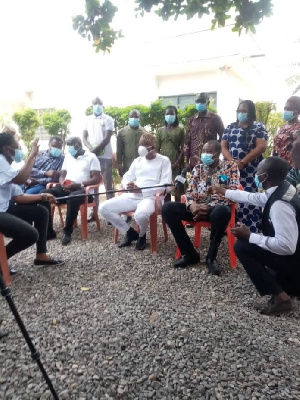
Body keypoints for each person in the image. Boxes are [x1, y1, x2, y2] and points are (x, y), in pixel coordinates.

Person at [212, 157, 300, 315]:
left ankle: (282, 299)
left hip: (294, 261)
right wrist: (224, 191)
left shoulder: (280, 205)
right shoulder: (283, 189)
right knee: (254, 245)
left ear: (265, 177)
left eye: (258, 172)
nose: (255, 174)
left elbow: (287, 246)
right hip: (295, 257)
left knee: (242, 246)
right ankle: (286, 285)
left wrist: (250, 236)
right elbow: (253, 198)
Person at [162, 140, 240, 274]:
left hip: (217, 209)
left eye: (208, 152)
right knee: (167, 208)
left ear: (218, 153)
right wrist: (192, 206)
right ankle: (189, 254)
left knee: (221, 212)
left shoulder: (230, 167)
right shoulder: (197, 168)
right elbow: (190, 192)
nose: (205, 155)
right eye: (203, 152)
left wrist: (209, 207)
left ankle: (211, 257)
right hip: (197, 208)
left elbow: (233, 192)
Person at [0, 133, 64, 270]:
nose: (19, 150)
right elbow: (21, 179)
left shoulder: (6, 166)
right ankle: (1, 262)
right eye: (17, 146)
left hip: (4, 209)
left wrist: (43, 196)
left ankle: (41, 255)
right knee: (30, 234)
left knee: (41, 211)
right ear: (7, 149)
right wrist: (32, 156)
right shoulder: (0, 161)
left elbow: (18, 197)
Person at [99, 133, 172, 250]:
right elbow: (126, 177)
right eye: (141, 145)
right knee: (103, 208)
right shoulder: (137, 161)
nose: (141, 147)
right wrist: (127, 185)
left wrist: (141, 190)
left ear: (153, 147)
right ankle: (130, 233)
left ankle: (142, 235)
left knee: (141, 215)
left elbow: (166, 186)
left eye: (145, 145)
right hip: (132, 196)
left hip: (151, 198)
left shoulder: (164, 161)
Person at [41, 137, 101, 246]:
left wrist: (79, 184)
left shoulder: (91, 157)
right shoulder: (68, 157)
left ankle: (67, 231)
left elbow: (96, 178)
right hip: (67, 187)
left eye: (71, 148)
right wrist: (63, 183)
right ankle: (49, 231)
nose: (69, 151)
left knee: (73, 197)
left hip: (83, 190)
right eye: (68, 148)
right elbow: (62, 174)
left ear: (78, 146)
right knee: (44, 193)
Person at [221, 100, 267, 233]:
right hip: (231, 170)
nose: (240, 113)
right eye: (239, 110)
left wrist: (243, 162)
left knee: (249, 198)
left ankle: (251, 229)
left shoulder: (258, 127)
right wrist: (233, 163)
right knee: (230, 196)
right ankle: (231, 228)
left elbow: (261, 146)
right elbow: (223, 146)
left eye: (244, 111)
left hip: (251, 169)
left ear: (251, 112)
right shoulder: (230, 127)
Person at [83, 97, 114, 222]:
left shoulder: (108, 119)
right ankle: (94, 213)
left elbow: (107, 138)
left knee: (108, 185)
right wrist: (91, 149)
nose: (97, 106)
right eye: (95, 104)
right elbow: (84, 137)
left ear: (103, 105)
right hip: (92, 157)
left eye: (99, 103)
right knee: (93, 184)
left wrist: (96, 149)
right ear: (92, 105)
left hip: (105, 156)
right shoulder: (87, 120)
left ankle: (111, 213)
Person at [184, 92, 224, 170]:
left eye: (202, 101)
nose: (199, 103)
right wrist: (186, 161)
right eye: (197, 101)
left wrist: (216, 152)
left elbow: (223, 137)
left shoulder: (215, 118)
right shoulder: (191, 120)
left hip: (210, 161)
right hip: (194, 162)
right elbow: (187, 142)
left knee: (211, 180)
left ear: (207, 103)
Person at [156, 105, 186, 202]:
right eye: (167, 114)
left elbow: (184, 148)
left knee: (177, 189)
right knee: (166, 189)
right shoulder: (160, 130)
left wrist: (176, 163)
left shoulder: (181, 129)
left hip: (177, 162)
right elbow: (156, 148)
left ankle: (177, 212)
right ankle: (167, 213)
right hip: (163, 162)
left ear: (175, 115)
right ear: (164, 116)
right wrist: (161, 163)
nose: (169, 116)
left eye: (171, 114)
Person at [117, 109, 148, 177]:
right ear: (129, 118)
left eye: (136, 117)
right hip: (127, 165)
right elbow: (119, 150)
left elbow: (147, 150)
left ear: (139, 118)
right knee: (128, 185)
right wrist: (119, 165)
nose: (134, 118)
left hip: (141, 165)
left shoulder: (144, 132)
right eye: (132, 116)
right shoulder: (121, 132)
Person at [273, 96, 300, 166]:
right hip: (277, 166)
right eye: (285, 108)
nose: (286, 111)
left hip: (291, 167)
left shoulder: (298, 128)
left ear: (297, 112)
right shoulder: (282, 128)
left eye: (289, 109)